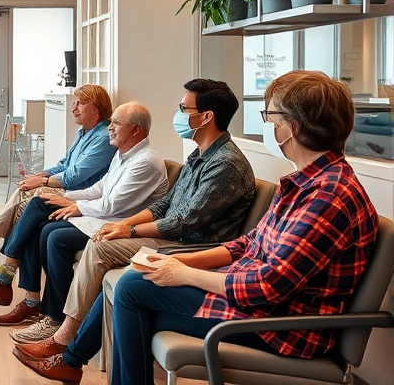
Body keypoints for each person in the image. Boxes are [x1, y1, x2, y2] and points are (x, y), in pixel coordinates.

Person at [21, 70, 380, 384]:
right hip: (255, 303)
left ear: (293, 127)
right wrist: (177, 267)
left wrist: (185, 272)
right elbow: (248, 245)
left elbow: (267, 287)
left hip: (278, 326)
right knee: (133, 284)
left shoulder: (328, 197)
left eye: (270, 117)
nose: (267, 126)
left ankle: (69, 359)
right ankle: (70, 360)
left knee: (130, 287)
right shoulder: (305, 183)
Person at [11, 78, 257, 369]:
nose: (178, 114)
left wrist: (128, 229)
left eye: (183, 107)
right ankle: (68, 351)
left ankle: (64, 339)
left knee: (99, 248)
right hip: (172, 236)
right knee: (92, 244)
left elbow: (183, 222)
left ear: (206, 117)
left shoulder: (225, 164)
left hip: (188, 246)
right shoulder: (200, 155)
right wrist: (125, 225)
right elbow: (164, 206)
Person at [0, 102, 169, 336]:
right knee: (40, 216)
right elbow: (100, 188)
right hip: (99, 217)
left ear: (136, 129)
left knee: (54, 236)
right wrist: (65, 197)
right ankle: (30, 300)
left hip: (116, 226)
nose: (110, 127)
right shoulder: (123, 154)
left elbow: (112, 204)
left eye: (116, 123)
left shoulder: (146, 161)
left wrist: (73, 204)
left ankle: (49, 313)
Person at [0, 84, 117, 263]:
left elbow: (73, 176)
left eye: (80, 103)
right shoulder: (83, 132)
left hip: (78, 195)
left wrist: (42, 181)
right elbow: (65, 164)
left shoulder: (103, 138)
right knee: (24, 191)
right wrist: (41, 175)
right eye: (74, 102)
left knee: (29, 197)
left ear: (97, 108)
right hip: (68, 188)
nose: (74, 107)